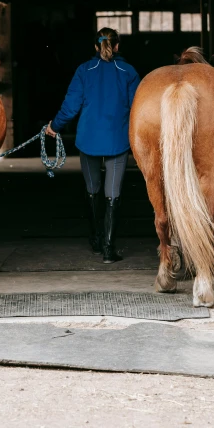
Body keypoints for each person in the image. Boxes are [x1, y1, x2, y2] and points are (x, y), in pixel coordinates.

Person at [46, 27, 140, 263]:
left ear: (96, 47)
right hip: (117, 141)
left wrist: (54, 127)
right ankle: (109, 250)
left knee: (91, 190)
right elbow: (138, 109)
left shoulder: (83, 71)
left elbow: (71, 106)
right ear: (117, 46)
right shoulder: (128, 72)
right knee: (113, 194)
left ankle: (96, 240)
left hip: (88, 141)